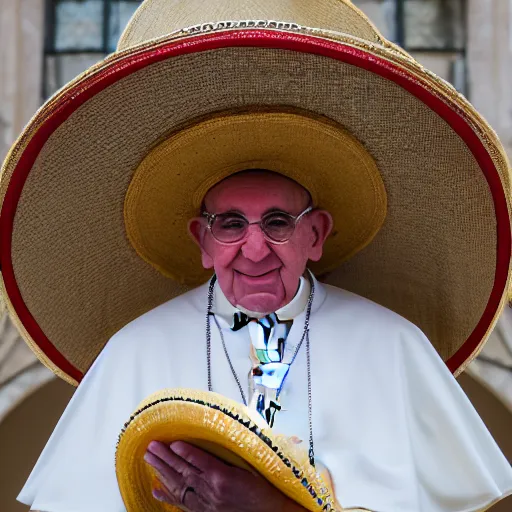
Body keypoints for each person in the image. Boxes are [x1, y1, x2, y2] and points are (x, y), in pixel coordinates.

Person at [1, 1, 512, 511]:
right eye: (229, 225)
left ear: (316, 233)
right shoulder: (134, 352)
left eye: (277, 223)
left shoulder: (392, 346)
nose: (254, 248)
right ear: (202, 242)